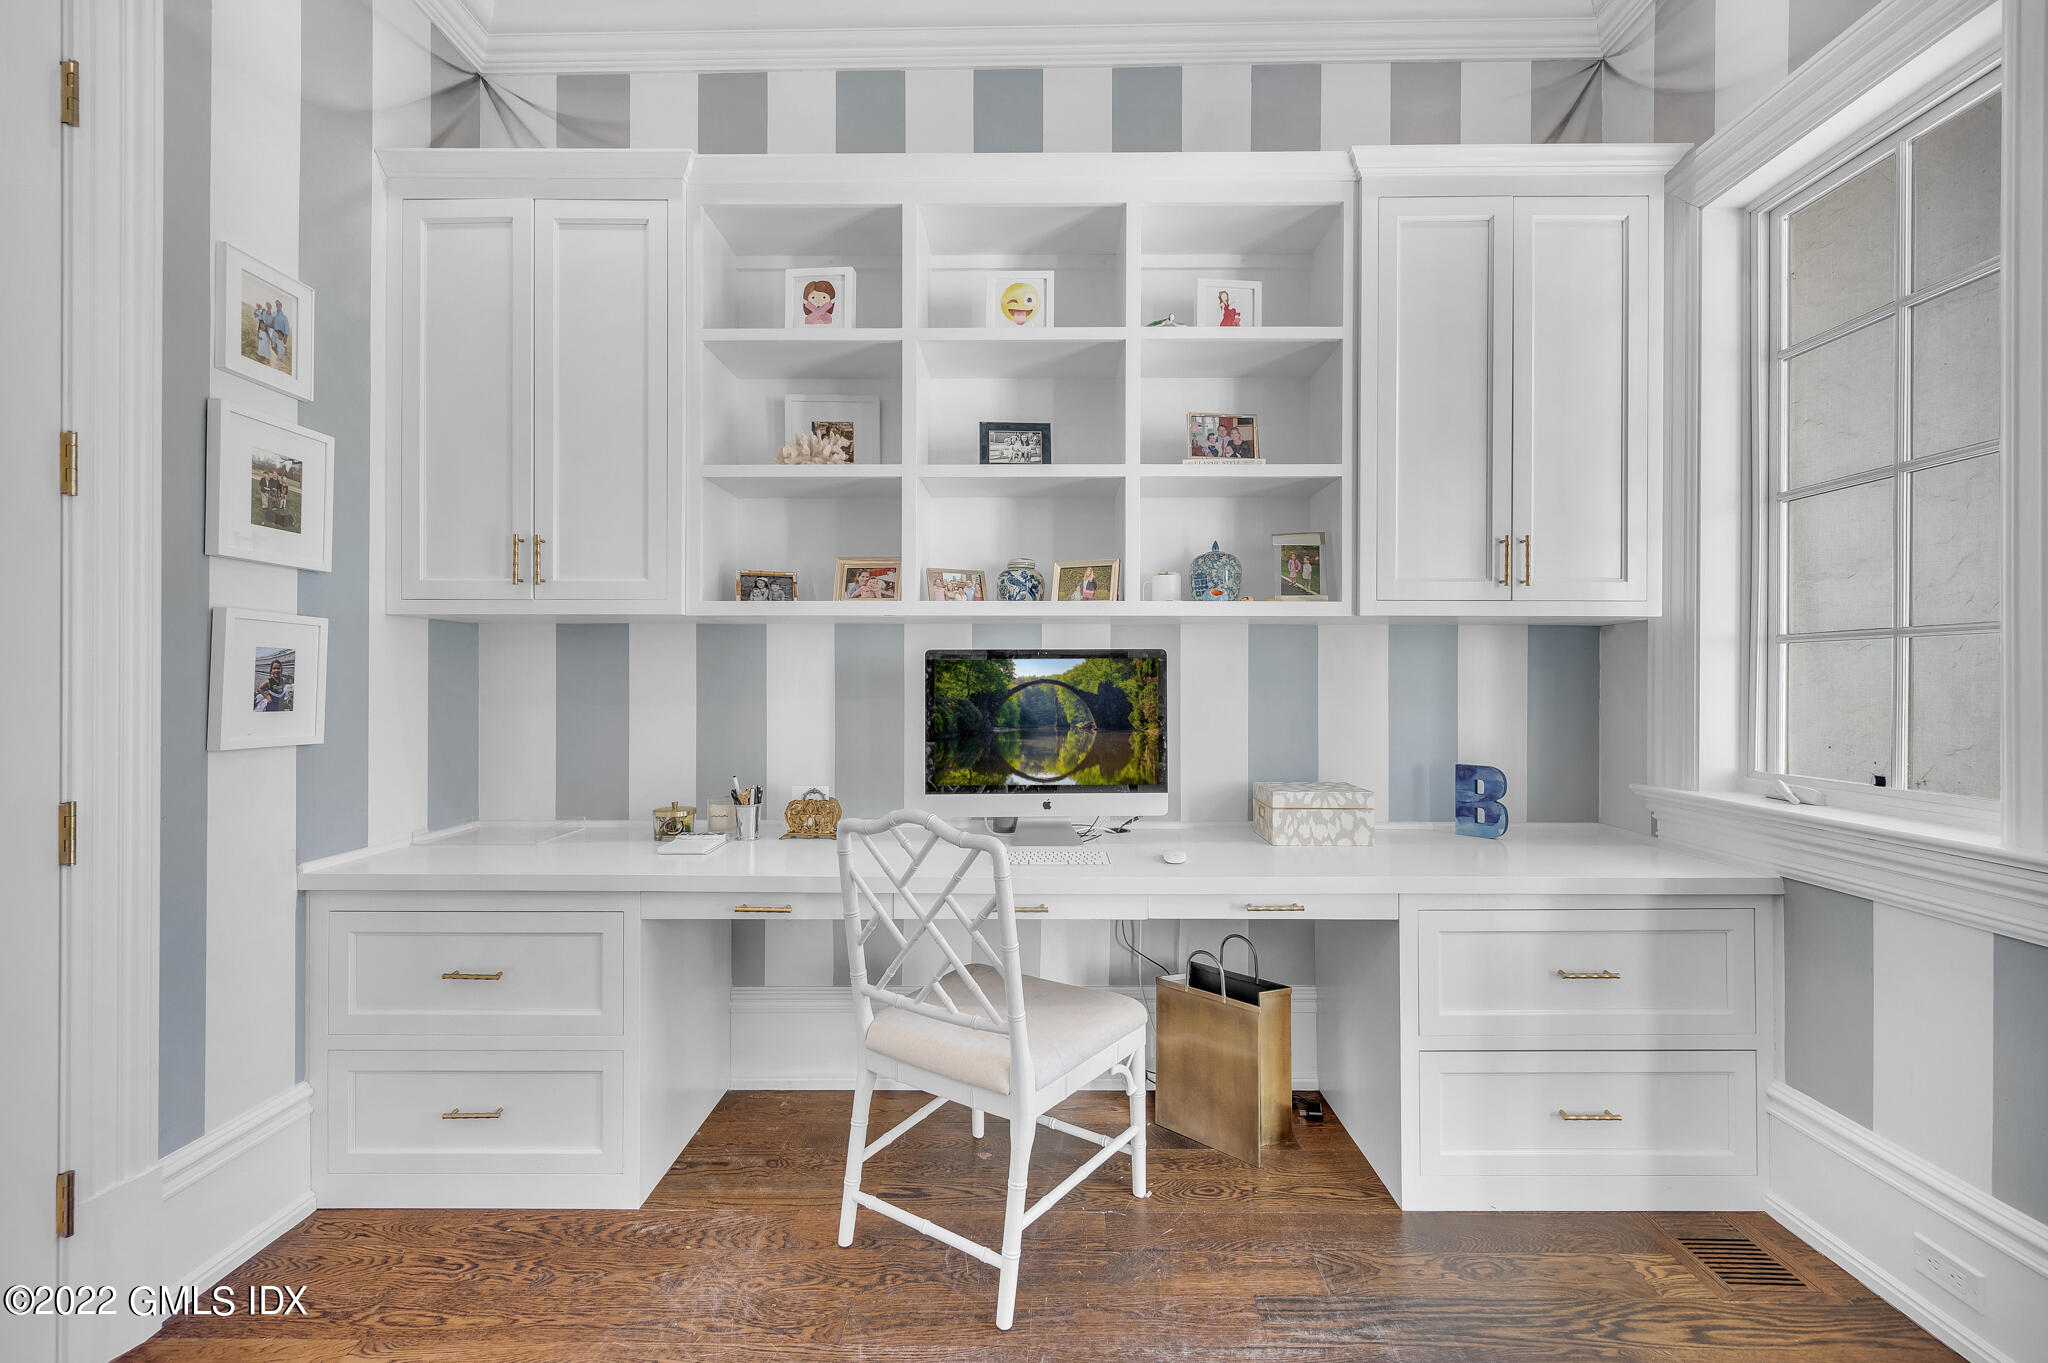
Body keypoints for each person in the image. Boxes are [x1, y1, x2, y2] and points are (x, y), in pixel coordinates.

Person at [270, 300, 291, 371]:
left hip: (280, 335)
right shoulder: (275, 315)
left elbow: (287, 327)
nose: (277, 306)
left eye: (278, 305)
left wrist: (286, 337)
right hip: (274, 333)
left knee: (281, 348)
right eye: (276, 305)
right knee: (273, 346)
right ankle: (278, 359)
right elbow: (272, 324)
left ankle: (281, 362)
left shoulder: (284, 317)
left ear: (281, 306)